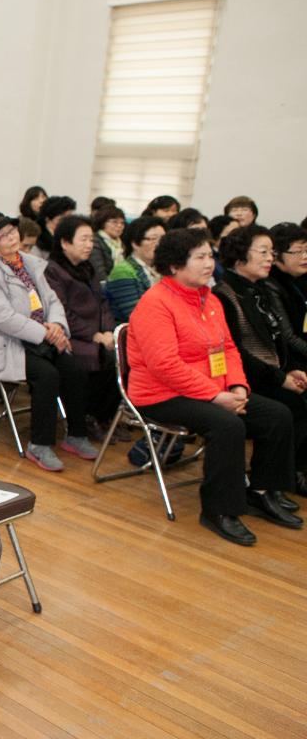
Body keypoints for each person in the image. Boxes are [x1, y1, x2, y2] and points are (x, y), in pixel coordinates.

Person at [128, 227, 298, 544]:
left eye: (210, 255)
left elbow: (229, 349)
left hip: (212, 388)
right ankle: (219, 510)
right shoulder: (156, 303)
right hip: (160, 394)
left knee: (277, 414)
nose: (209, 263)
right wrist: (214, 395)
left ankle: (261, 490)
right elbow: (164, 365)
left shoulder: (209, 299)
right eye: (200, 257)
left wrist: (237, 387)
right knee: (227, 425)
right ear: (176, 265)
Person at [0, 214, 95, 471]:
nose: (11, 237)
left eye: (11, 231)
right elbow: (5, 319)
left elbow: (51, 300)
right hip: (7, 345)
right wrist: (46, 333)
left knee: (74, 368)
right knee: (47, 375)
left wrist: (58, 327)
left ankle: (76, 435)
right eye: (2, 236)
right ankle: (39, 444)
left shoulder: (30, 263)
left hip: (39, 338)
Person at [212, 225, 307, 493]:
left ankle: (281, 479)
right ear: (240, 256)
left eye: (271, 252)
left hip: (267, 371)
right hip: (243, 378)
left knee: (297, 400)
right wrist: (281, 378)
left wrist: (290, 371)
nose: (270, 258)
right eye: (263, 252)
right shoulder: (225, 294)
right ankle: (267, 486)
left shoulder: (259, 288)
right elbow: (236, 353)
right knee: (287, 408)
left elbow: (277, 340)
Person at [43, 216, 120, 436]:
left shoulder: (88, 268)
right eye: (83, 240)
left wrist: (107, 330)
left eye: (91, 240)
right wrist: (94, 335)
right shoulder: (53, 271)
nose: (89, 245)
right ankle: (87, 415)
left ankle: (104, 415)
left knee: (122, 354)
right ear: (65, 243)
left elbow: (103, 303)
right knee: (96, 356)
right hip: (72, 334)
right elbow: (61, 311)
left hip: (98, 331)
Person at [105, 218, 165, 323]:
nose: (160, 244)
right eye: (153, 239)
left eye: (163, 239)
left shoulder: (161, 270)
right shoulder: (124, 271)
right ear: (135, 244)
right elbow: (136, 315)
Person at [267, 223, 307, 340]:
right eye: (297, 252)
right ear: (275, 255)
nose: (305, 256)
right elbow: (288, 337)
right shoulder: (271, 284)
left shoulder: (302, 277)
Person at [89, 205, 127, 284]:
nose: (120, 226)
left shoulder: (121, 244)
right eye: (115, 222)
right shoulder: (95, 242)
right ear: (102, 223)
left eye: (122, 223)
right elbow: (99, 274)